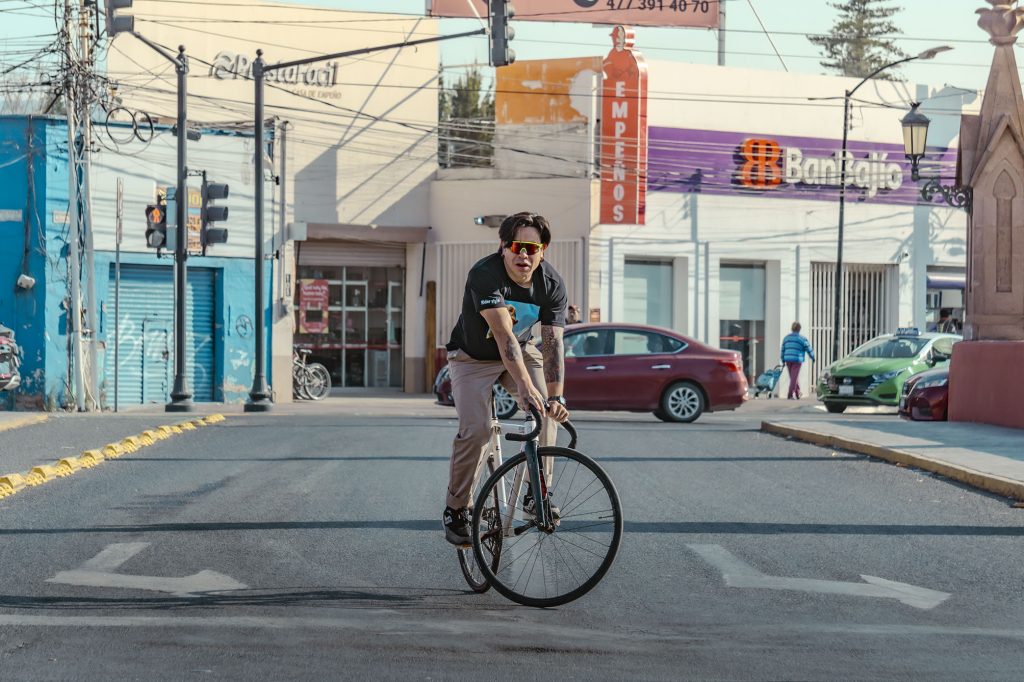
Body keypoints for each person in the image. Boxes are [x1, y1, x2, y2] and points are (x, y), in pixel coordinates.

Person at [442, 212, 571, 546]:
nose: (523, 255)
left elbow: (553, 343)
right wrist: (525, 386)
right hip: (471, 357)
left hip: (523, 350)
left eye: (531, 248)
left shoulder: (551, 284)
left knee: (544, 411)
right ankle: (457, 508)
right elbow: (502, 335)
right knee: (477, 430)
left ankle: (537, 494)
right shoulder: (485, 274)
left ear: (543, 250)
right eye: (516, 246)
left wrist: (555, 397)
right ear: (503, 247)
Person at [780, 321, 815, 400]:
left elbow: (783, 349)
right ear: (799, 329)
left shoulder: (786, 338)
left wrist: (782, 359)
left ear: (792, 328)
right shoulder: (802, 339)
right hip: (797, 360)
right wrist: (812, 357)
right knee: (794, 378)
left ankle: (797, 393)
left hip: (788, 359)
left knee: (793, 377)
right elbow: (808, 349)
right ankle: (790, 395)